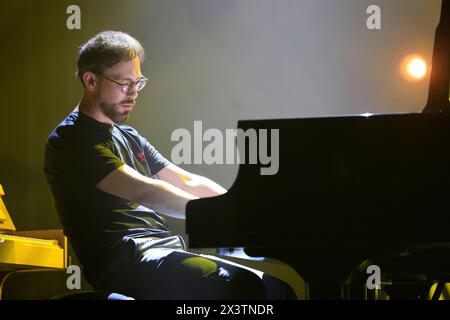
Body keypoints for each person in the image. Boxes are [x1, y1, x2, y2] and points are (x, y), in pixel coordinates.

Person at [44, 30, 296, 300]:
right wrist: (216, 217)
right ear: (91, 80)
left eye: (138, 82)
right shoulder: (70, 139)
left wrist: (236, 207)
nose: (133, 93)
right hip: (125, 262)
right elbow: (146, 192)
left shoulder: (129, 136)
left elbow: (188, 182)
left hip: (162, 251)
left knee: (278, 292)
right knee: (239, 286)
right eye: (123, 83)